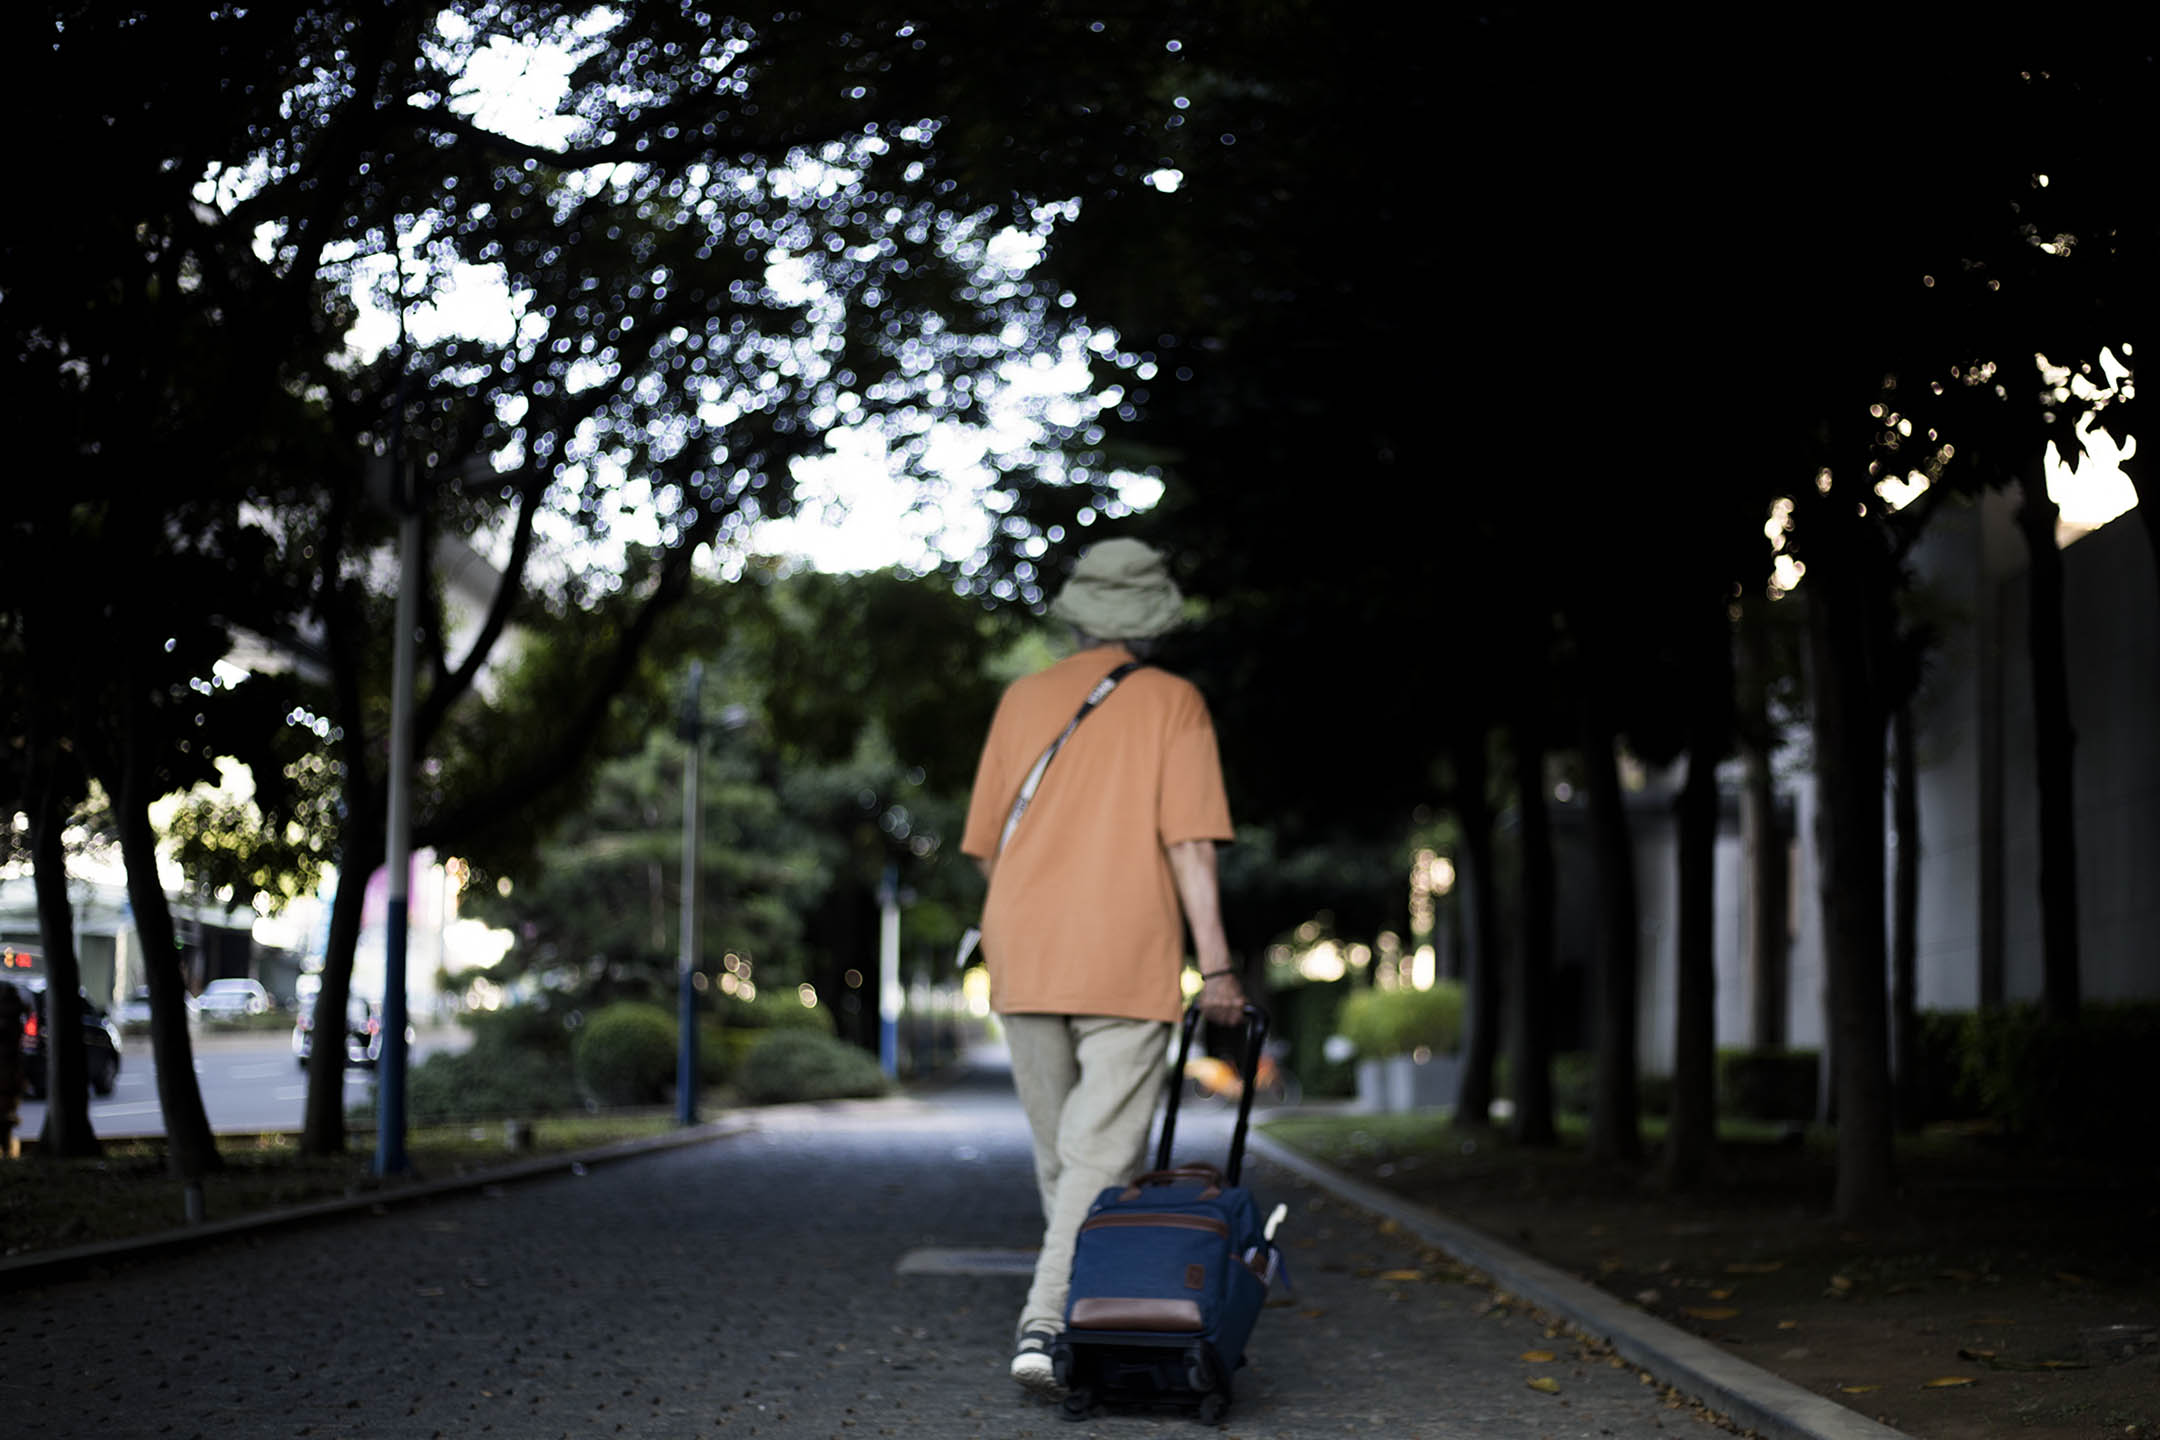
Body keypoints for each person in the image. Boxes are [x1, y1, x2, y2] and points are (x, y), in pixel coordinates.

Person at [959, 537, 1248, 1398]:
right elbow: (1191, 845)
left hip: (1024, 945)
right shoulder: (1175, 703)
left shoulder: (1021, 699)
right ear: (1153, 620)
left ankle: (1079, 1314)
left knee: (1066, 1157)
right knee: (1091, 1156)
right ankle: (1054, 1320)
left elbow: (984, 851)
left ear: (1079, 612)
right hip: (1127, 949)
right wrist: (1219, 967)